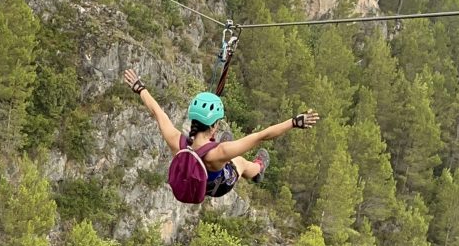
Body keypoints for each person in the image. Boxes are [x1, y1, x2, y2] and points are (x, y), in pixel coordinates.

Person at [123, 68, 319, 199]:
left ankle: (245, 166)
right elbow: (262, 136)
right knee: (240, 162)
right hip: (218, 185)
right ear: (214, 126)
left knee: (231, 154)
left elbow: (158, 113)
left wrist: (139, 88)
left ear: (193, 120)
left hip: (193, 181)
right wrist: (293, 122)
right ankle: (259, 171)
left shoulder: (177, 141)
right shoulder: (220, 152)